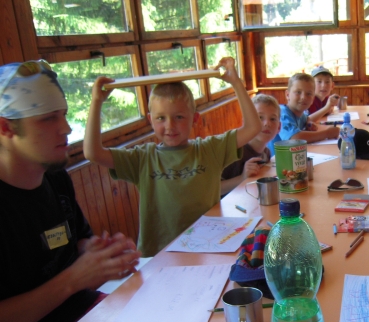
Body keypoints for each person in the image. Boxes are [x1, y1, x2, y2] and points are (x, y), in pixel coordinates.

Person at [0, 60, 141, 322]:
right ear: (6, 128)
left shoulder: (55, 179)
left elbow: (76, 244)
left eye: (63, 114)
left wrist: (101, 255)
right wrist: (74, 279)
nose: (65, 128)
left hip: (88, 321)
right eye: (48, 118)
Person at [84, 57, 261, 257]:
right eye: (161, 118)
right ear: (150, 120)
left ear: (194, 118)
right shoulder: (142, 159)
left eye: (179, 117)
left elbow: (253, 127)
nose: (170, 126)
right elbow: (93, 153)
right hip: (158, 255)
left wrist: (235, 82)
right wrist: (96, 102)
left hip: (208, 248)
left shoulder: (209, 150)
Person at [220, 94, 281, 195]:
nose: (267, 123)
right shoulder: (234, 151)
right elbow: (214, 190)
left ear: (279, 127)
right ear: (247, 123)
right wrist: (242, 178)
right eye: (260, 117)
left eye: (272, 119)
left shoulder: (266, 153)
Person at [268, 73, 340, 152]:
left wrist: (308, 123)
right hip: (274, 159)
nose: (303, 97)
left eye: (309, 94)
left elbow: (308, 118)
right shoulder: (281, 113)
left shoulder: (300, 113)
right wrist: (327, 133)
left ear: (313, 98)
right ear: (287, 95)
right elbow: (294, 138)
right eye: (298, 92)